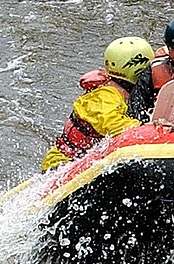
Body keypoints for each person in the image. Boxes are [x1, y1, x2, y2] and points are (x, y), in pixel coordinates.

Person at [41, 37, 154, 172]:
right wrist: (150, 128)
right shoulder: (105, 96)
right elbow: (114, 125)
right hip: (60, 165)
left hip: (77, 161)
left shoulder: (112, 92)